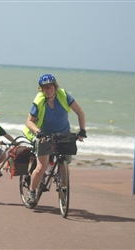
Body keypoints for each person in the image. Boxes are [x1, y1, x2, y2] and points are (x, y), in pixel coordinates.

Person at [23, 73, 86, 205]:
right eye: (45, 87)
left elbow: (80, 112)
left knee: (64, 165)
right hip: (45, 135)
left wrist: (82, 130)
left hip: (64, 135)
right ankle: (31, 191)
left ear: (55, 87)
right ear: (41, 89)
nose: (48, 89)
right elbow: (29, 121)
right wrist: (38, 132)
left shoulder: (63, 95)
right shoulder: (39, 101)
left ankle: (63, 188)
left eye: (50, 87)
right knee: (41, 167)